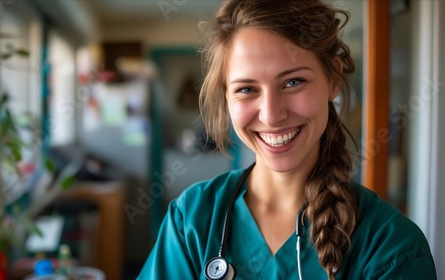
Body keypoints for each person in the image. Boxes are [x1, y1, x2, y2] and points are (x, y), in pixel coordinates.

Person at [137, 0, 437, 279]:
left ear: (333, 78)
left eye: (293, 82)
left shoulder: (392, 248)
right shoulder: (192, 219)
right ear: (226, 95)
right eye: (246, 89)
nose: (271, 115)